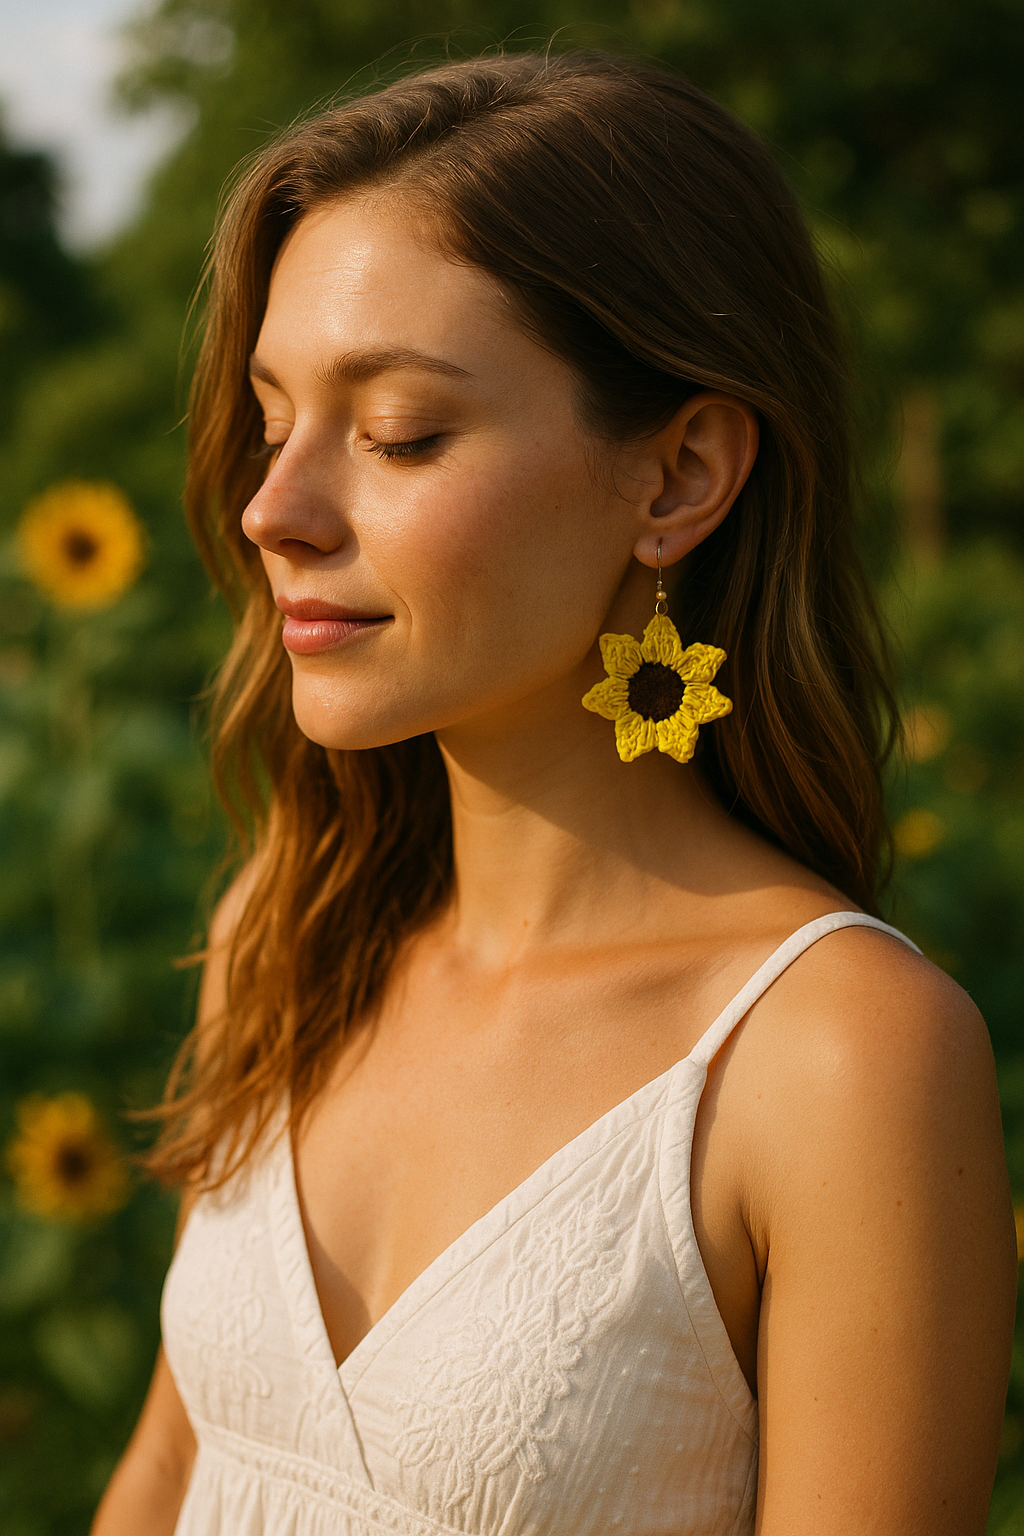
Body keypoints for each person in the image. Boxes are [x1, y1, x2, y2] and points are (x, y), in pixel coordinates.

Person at [91, 49, 1016, 1536]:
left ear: (678, 479)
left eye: (398, 432)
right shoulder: (293, 924)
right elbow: (171, 1473)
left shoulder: (834, 1060)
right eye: (273, 422)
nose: (274, 509)